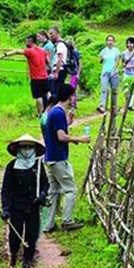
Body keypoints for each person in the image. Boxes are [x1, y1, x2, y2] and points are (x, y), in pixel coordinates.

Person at [0, 134, 49, 268]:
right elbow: (6, 189)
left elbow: (45, 184)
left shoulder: (38, 166)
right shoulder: (12, 167)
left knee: (31, 237)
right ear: (18, 149)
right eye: (24, 147)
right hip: (16, 206)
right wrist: (6, 208)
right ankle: (14, 255)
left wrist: (42, 195)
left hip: (33, 206)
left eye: (30, 147)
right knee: (15, 236)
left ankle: (27, 266)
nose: (27, 150)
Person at [42, 83, 89, 233]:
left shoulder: (56, 112)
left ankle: (48, 224)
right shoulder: (57, 113)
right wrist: (80, 139)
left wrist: (69, 122)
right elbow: (61, 136)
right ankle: (67, 220)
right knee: (70, 189)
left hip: (51, 157)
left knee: (54, 192)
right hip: (58, 158)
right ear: (70, 97)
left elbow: (59, 130)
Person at [2, 35, 49, 116]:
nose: (25, 43)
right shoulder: (43, 50)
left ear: (31, 41)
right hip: (45, 77)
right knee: (46, 94)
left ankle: (40, 114)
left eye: (27, 41)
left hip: (36, 78)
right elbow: (48, 61)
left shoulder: (29, 51)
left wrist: (5, 54)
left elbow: (16, 51)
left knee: (38, 97)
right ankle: (47, 111)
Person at [98, 35, 120, 113]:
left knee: (114, 90)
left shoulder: (116, 51)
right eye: (108, 40)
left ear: (114, 42)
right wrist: (101, 59)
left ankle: (114, 106)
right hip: (105, 72)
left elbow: (117, 61)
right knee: (104, 89)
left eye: (111, 40)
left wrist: (113, 70)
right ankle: (102, 106)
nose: (110, 42)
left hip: (114, 73)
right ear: (106, 42)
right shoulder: (104, 50)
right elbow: (100, 60)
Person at [120, 36, 134, 109]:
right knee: (126, 90)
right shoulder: (123, 53)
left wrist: (132, 66)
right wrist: (124, 66)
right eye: (128, 43)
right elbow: (122, 62)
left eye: (131, 43)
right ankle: (127, 102)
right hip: (126, 74)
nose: (129, 45)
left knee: (132, 90)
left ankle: (130, 105)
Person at [48, 26, 68, 99]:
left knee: (55, 92)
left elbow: (60, 58)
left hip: (60, 70)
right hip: (60, 69)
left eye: (51, 34)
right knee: (55, 91)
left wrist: (56, 72)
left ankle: (54, 109)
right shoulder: (59, 44)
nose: (50, 36)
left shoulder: (60, 45)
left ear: (57, 34)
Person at [66, 37, 82, 110]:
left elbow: (80, 64)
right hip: (68, 73)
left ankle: (73, 104)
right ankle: (70, 103)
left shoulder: (76, 52)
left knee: (72, 89)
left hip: (74, 73)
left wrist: (78, 74)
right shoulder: (66, 53)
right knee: (69, 88)